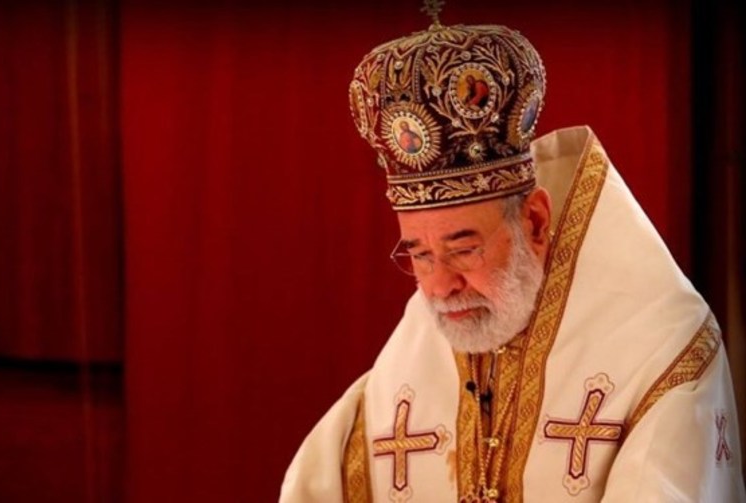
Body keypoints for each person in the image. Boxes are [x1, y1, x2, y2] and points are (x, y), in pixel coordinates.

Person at [280, 11, 746, 503]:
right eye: (419, 255)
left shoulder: (660, 346)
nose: (439, 288)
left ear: (535, 223)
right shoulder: (419, 341)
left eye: (463, 250)